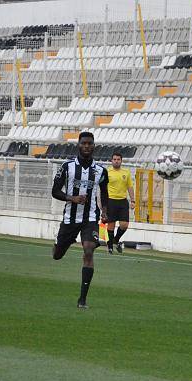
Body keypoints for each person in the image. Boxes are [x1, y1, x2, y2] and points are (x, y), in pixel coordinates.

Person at [51, 131, 108, 309]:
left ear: (94, 146)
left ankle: (82, 300)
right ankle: (60, 242)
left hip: (90, 218)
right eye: (84, 143)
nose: (87, 146)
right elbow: (55, 191)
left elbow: (104, 194)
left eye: (90, 143)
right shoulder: (67, 167)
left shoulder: (101, 170)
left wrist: (105, 211)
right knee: (57, 255)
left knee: (88, 250)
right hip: (70, 218)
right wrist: (72, 198)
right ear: (78, 145)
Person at [104, 151, 135, 254]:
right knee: (111, 225)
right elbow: (103, 188)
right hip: (111, 200)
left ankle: (115, 240)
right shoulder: (107, 172)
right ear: (111, 161)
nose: (116, 161)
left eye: (118, 159)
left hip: (122, 201)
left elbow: (130, 187)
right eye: (114, 159)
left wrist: (133, 200)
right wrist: (102, 203)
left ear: (121, 161)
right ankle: (110, 246)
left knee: (124, 225)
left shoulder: (126, 172)